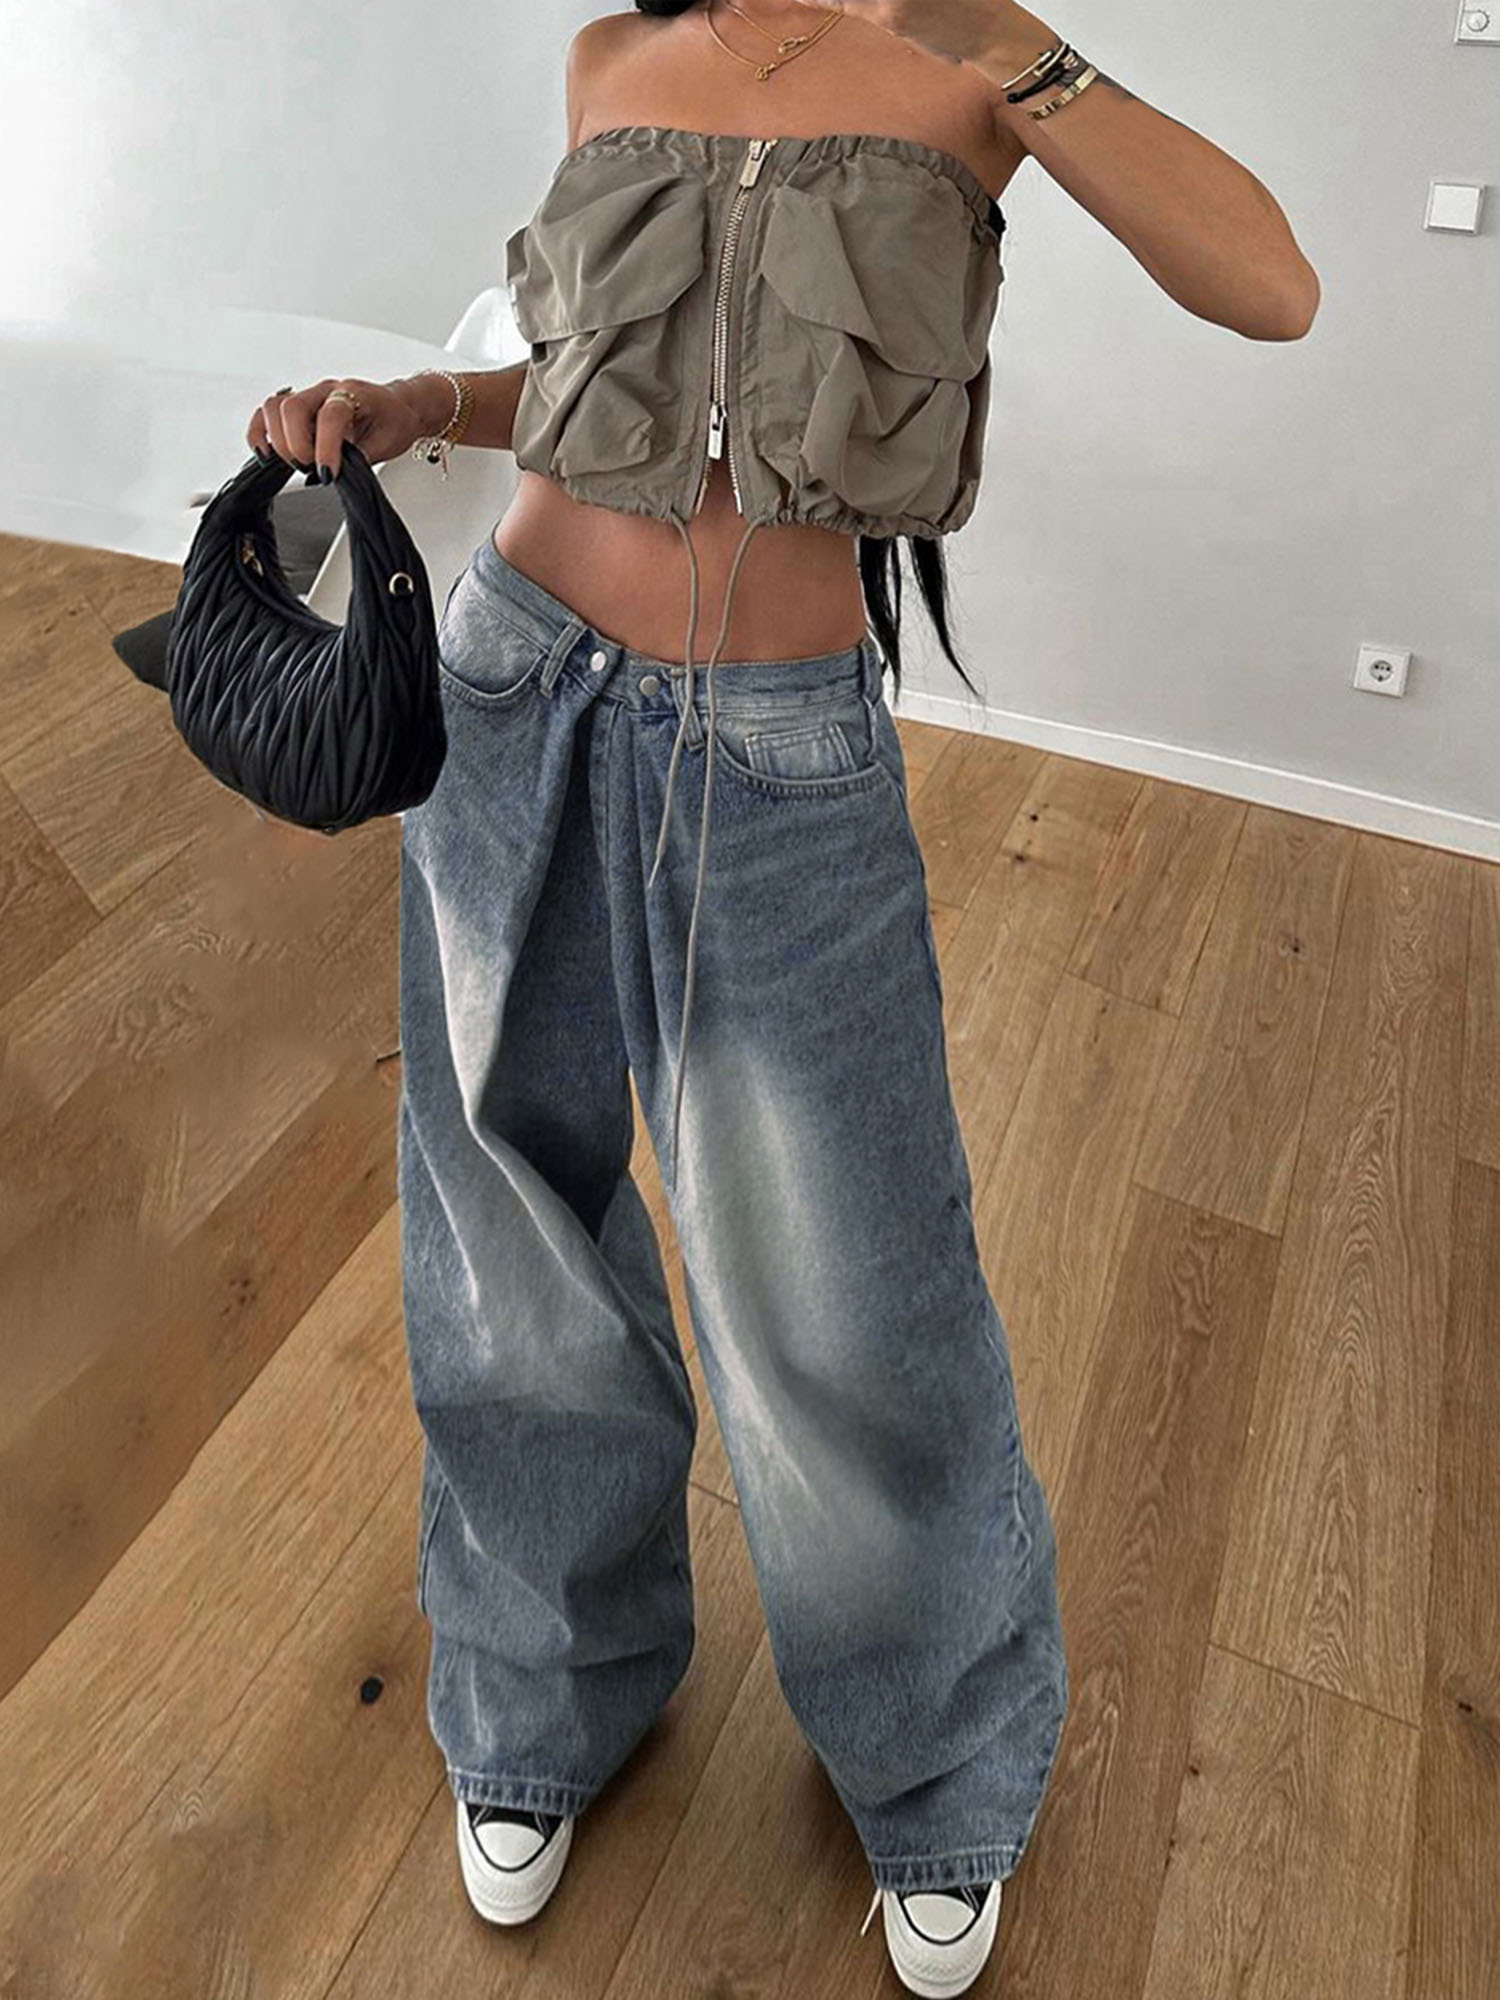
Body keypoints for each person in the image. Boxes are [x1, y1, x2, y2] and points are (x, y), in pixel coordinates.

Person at [248, 3, 1315, 1992]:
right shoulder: (613, 57)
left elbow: (1273, 287)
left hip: (778, 747)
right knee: (504, 1231)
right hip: (512, 689)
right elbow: (588, 383)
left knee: (853, 1287)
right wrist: (421, 400)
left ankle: (939, 1755)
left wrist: (1023, 54)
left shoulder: (970, 70)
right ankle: (547, 1688)